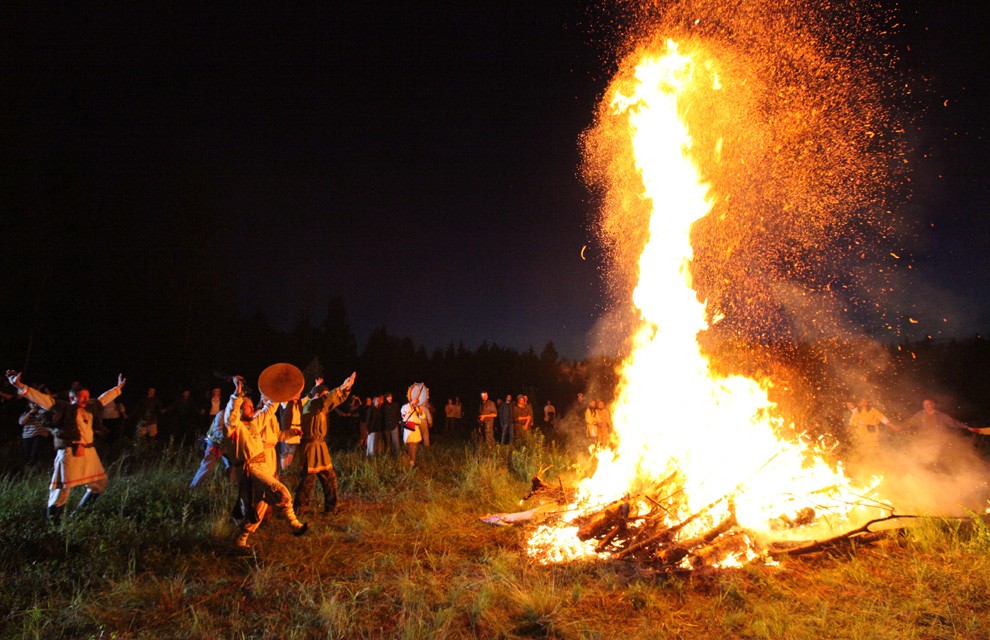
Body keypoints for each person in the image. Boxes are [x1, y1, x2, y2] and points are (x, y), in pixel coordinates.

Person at [7, 369, 126, 522]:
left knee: (99, 483)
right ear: (72, 398)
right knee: (62, 490)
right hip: (70, 452)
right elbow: (42, 399)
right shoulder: (64, 408)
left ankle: (79, 515)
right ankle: (53, 525)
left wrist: (117, 389)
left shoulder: (90, 407)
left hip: (89, 452)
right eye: (82, 397)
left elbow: (103, 399)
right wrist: (20, 386)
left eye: (87, 397)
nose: (85, 399)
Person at [226, 375, 309, 548]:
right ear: (241, 409)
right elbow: (230, 416)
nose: (252, 409)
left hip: (262, 465)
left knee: (259, 505)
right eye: (248, 407)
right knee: (280, 491)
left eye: (250, 407)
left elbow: (270, 409)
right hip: (250, 470)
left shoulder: (254, 423)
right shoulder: (236, 426)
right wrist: (237, 394)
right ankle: (293, 523)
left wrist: (280, 390)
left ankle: (241, 539)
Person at [295, 373, 357, 516]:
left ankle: (331, 508)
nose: (327, 397)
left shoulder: (321, 406)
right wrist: (342, 386)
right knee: (307, 480)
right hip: (310, 447)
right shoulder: (311, 405)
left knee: (329, 478)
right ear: (317, 395)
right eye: (324, 395)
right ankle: (300, 509)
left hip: (320, 447)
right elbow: (328, 399)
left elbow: (335, 400)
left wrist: (347, 389)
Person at [847, 397, 896, 468]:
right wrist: (848, 431)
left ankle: (878, 470)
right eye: (862, 402)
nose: (864, 404)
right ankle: (866, 472)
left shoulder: (873, 411)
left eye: (865, 402)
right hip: (862, 439)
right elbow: (852, 424)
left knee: (874, 456)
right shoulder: (856, 412)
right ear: (859, 403)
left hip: (873, 438)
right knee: (864, 457)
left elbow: (883, 419)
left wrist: (893, 426)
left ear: (868, 403)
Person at [401, 383, 430, 466]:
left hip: (416, 428)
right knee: (411, 445)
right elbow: (404, 413)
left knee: (414, 446)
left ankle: (411, 461)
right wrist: (411, 404)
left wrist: (420, 411)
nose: (416, 402)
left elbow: (422, 416)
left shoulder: (417, 408)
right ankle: (409, 460)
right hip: (409, 428)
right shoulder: (405, 406)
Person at [277, 395, 306, 473]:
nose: (297, 396)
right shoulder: (286, 403)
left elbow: (307, 398)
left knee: (292, 450)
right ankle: (283, 470)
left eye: (298, 395)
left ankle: (288, 469)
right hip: (288, 430)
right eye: (295, 395)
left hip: (297, 430)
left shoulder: (300, 404)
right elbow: (280, 399)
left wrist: (316, 386)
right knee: (285, 450)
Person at [19, 401, 51, 468]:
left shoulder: (43, 412)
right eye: (32, 403)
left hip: (40, 434)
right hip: (27, 435)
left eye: (36, 403)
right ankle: (28, 469)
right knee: (27, 454)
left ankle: (33, 467)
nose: (35, 405)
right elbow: (22, 422)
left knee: (35, 453)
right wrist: (30, 413)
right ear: (29, 405)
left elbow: (48, 417)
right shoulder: (26, 413)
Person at [381, 392, 403, 458]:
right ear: (386, 398)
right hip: (386, 426)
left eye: (391, 396)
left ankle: (398, 455)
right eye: (389, 397)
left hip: (394, 426)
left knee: (396, 441)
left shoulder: (395, 405)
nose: (390, 398)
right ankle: (388, 456)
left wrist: (397, 422)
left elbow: (398, 415)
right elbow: (382, 416)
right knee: (387, 442)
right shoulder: (383, 406)